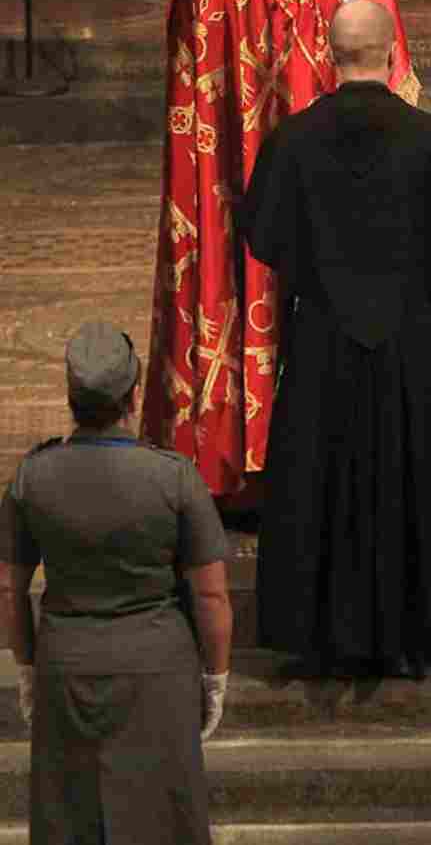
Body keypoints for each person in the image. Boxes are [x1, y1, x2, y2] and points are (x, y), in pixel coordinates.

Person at [243, 0, 431, 679]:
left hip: (323, 335)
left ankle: (319, 631)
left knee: (320, 477)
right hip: (412, 337)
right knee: (412, 473)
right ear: (391, 51)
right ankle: (413, 629)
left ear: (330, 54)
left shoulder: (293, 140)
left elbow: (263, 236)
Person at [142, 0, 376, 523]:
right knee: (232, 280)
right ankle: (226, 463)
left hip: (252, 152)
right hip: (224, 169)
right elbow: (302, 11)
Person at [0, 322, 232, 845]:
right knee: (163, 825)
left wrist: (28, 668)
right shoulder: (174, 477)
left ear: (71, 397)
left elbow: (9, 589)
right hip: (158, 674)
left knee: (71, 822)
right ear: (134, 394)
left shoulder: (31, 477)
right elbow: (212, 594)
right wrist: (215, 679)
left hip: (67, 671)